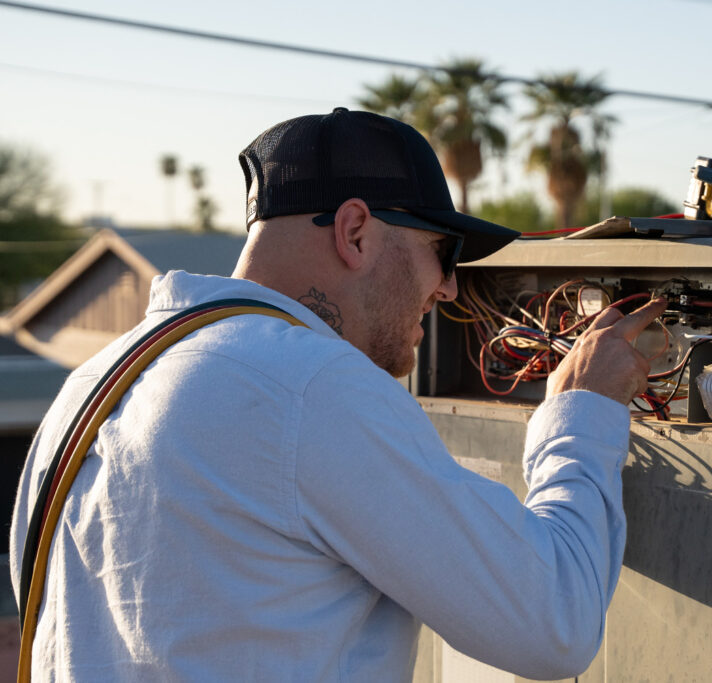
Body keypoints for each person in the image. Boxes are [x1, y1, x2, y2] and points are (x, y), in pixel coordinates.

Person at [10, 108, 666, 681]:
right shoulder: (308, 385)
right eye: (444, 250)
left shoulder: (89, 387)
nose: (448, 289)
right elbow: (553, 620)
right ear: (355, 231)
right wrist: (583, 411)